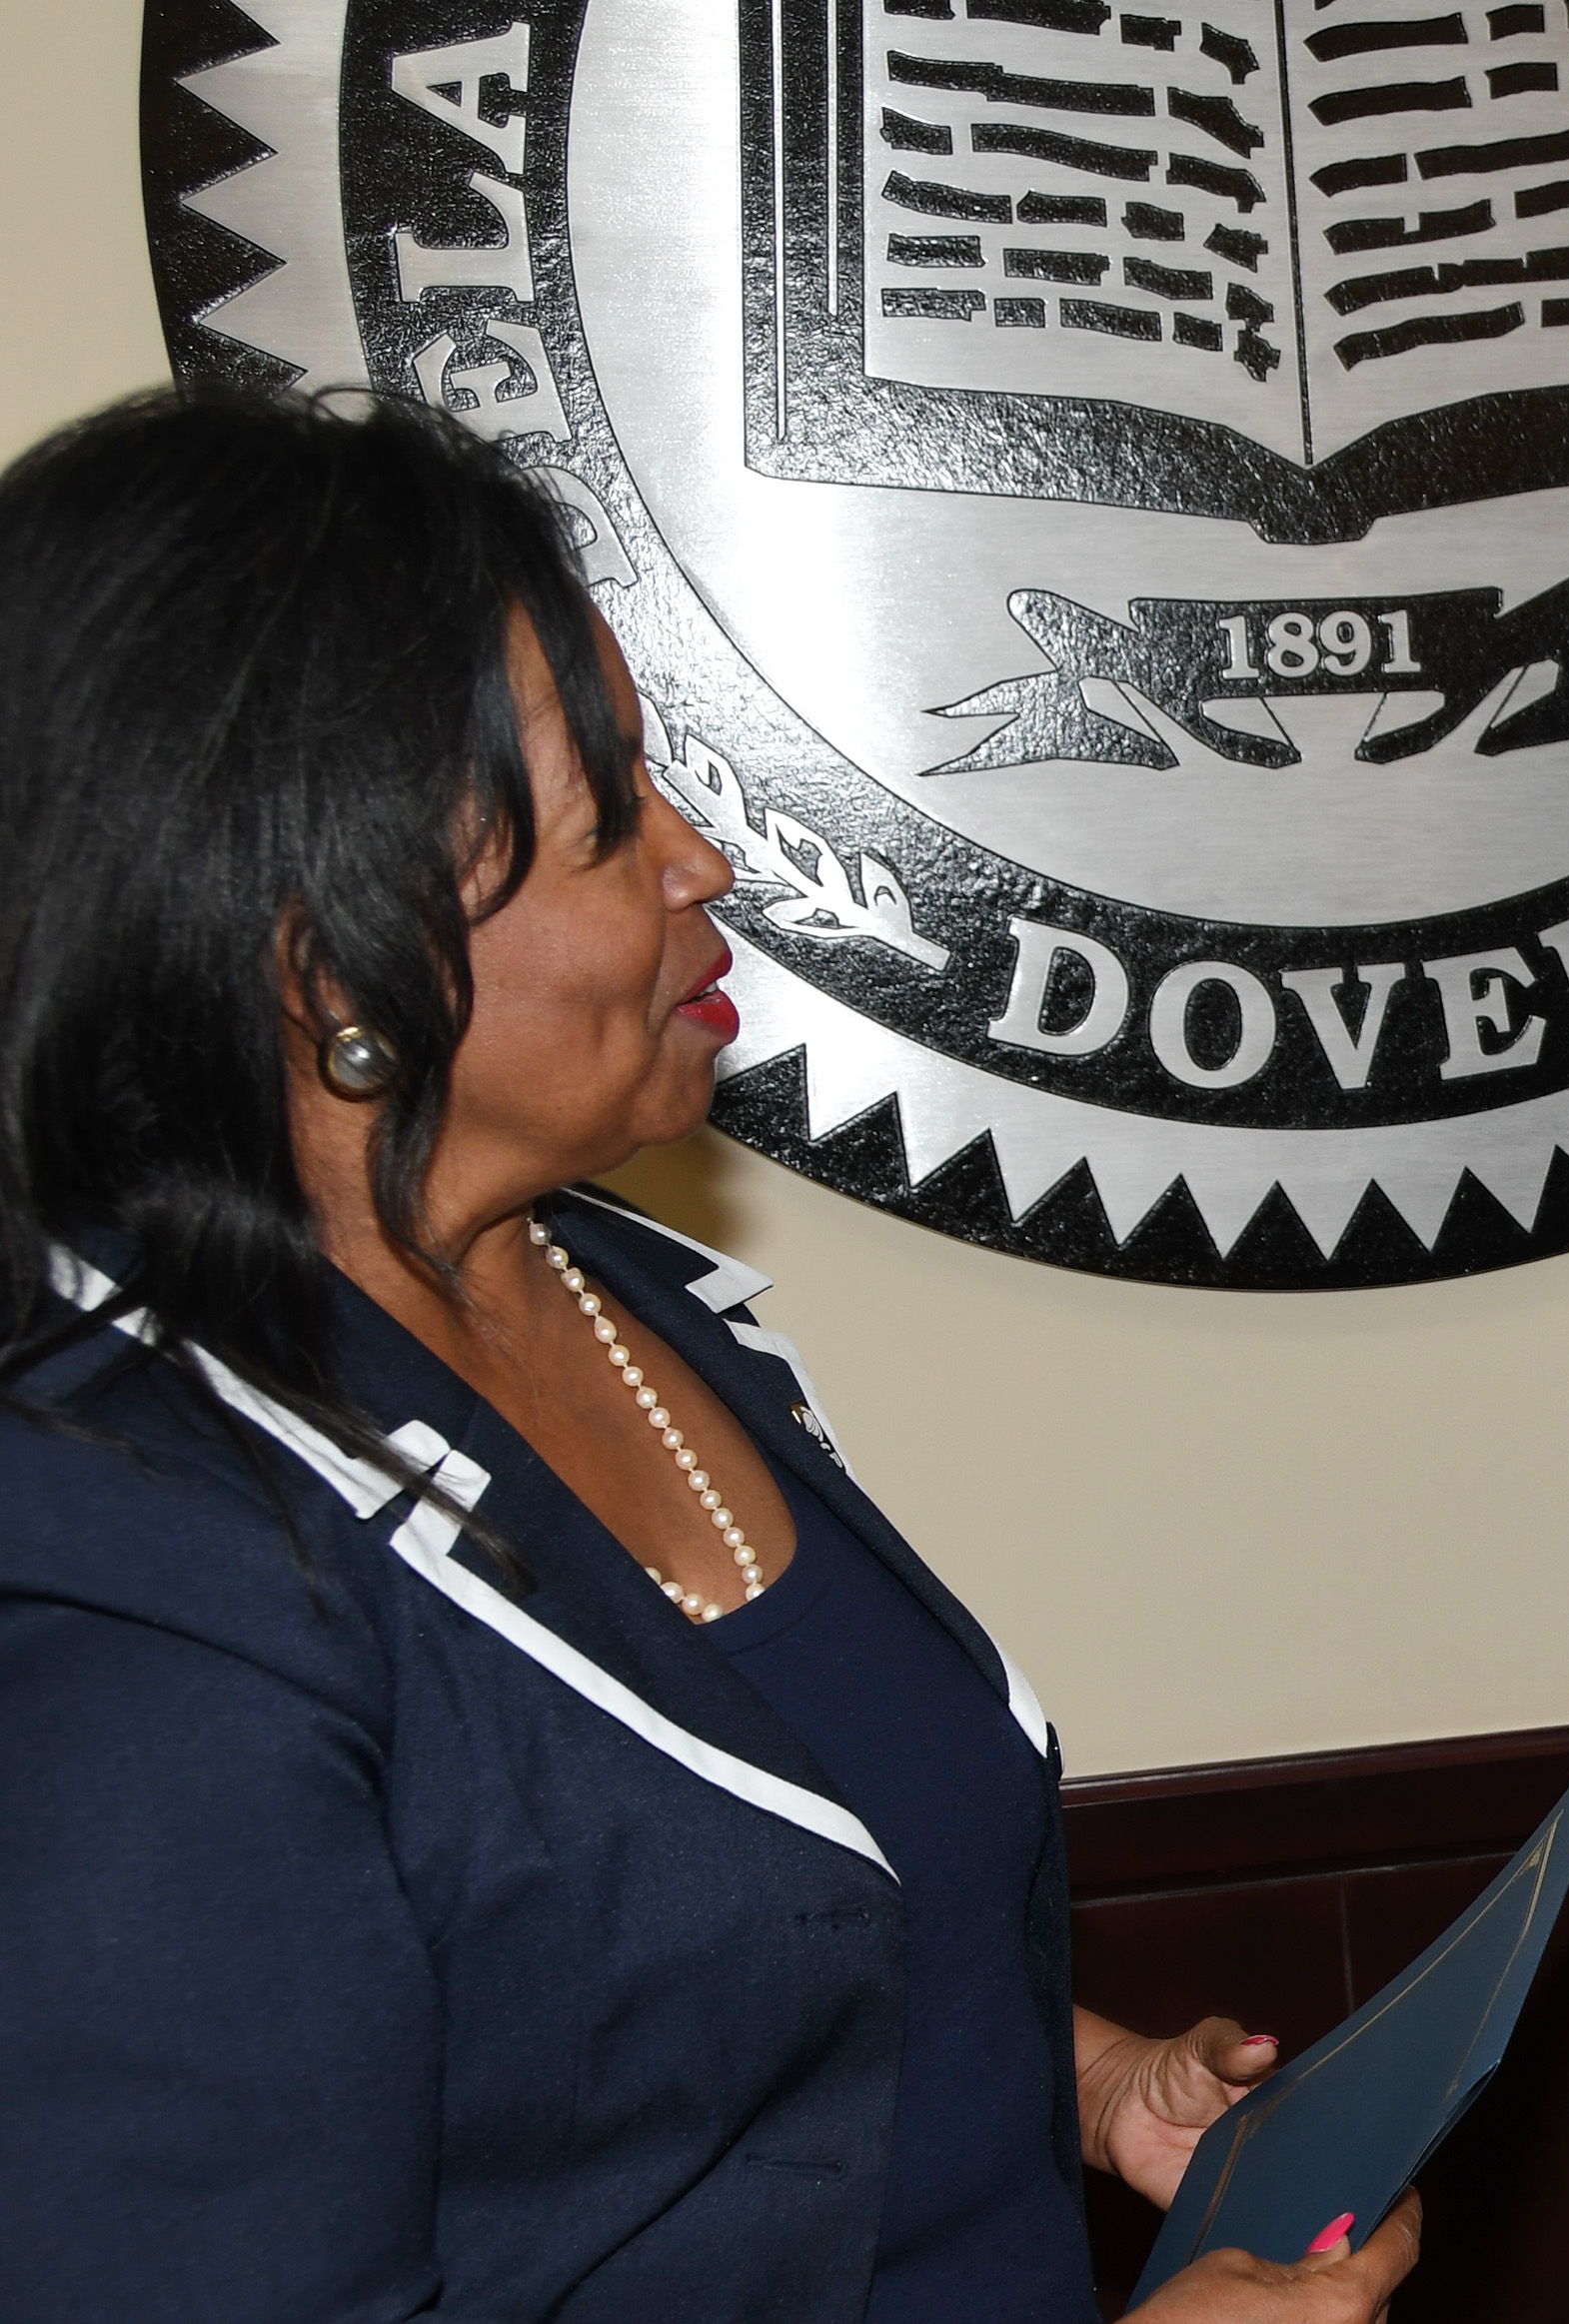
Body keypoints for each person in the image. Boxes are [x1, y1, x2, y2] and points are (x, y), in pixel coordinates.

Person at [0, 389, 1421, 2322]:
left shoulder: (623, 1292)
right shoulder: (126, 1553)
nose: (703, 864)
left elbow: (688, 1943)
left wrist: (1078, 2083)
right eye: (607, 823)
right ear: (323, 956)